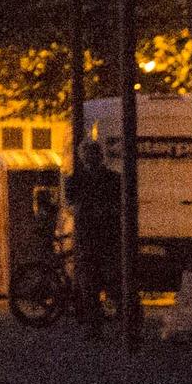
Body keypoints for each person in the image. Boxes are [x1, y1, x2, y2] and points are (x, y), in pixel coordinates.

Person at [65, 136, 125, 321]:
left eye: (92, 155)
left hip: (101, 237)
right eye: (87, 155)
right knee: (93, 283)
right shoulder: (109, 179)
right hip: (95, 237)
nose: (90, 159)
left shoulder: (79, 179)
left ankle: (103, 319)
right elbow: (71, 205)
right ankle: (97, 321)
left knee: (105, 281)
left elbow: (71, 205)